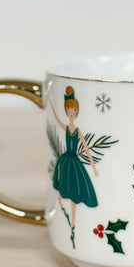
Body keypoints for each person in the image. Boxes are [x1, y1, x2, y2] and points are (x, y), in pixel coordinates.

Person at [49, 87, 98, 239]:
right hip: (66, 161)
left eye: (74, 110)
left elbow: (86, 148)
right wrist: (51, 106)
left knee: (75, 195)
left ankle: (73, 224)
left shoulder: (77, 131)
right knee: (62, 188)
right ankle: (60, 209)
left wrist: (93, 166)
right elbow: (57, 121)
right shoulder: (66, 128)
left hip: (74, 162)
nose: (72, 112)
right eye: (69, 110)